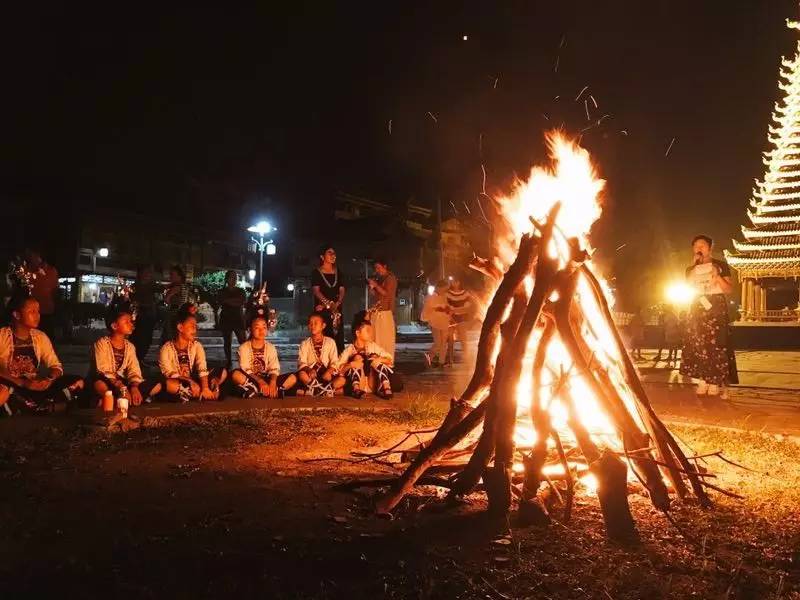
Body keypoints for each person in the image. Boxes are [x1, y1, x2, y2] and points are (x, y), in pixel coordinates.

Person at [0, 294, 84, 415]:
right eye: (32, 311)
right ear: (17, 315)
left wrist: (48, 380)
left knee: (78, 382)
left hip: (33, 386)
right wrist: (22, 382)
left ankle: (26, 407)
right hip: (11, 385)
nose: (37, 315)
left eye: (38, 311)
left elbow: (56, 366)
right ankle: (45, 408)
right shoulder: (2, 336)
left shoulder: (40, 337)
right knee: (3, 391)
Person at [679, 234, 738, 399]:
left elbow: (728, 289)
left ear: (710, 247)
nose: (699, 248)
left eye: (702, 245)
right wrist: (693, 265)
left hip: (715, 304)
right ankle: (702, 378)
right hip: (698, 303)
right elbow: (687, 285)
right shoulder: (690, 269)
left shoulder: (720, 265)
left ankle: (716, 381)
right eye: (696, 245)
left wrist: (717, 275)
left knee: (717, 343)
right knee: (697, 342)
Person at [89, 306, 161, 407]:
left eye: (131, 321)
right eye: (126, 322)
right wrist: (122, 388)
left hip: (123, 383)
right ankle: (119, 400)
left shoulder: (130, 347)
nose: (131, 325)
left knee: (157, 385)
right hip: (107, 381)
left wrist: (134, 387)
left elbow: (134, 370)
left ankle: (118, 401)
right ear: (114, 326)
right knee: (100, 384)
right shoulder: (101, 344)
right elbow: (103, 371)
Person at [158, 304, 227, 402]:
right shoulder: (166, 348)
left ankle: (199, 392)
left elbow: (202, 367)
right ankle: (194, 392)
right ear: (180, 327)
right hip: (179, 381)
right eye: (192, 326)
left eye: (196, 326)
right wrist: (189, 381)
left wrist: (205, 387)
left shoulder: (197, 345)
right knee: (165, 383)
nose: (195, 330)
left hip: (195, 380)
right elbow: (169, 373)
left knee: (222, 371)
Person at [337, 312, 402, 399]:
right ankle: (356, 390)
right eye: (367, 331)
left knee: (375, 359)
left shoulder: (373, 346)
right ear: (358, 333)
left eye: (371, 331)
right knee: (357, 358)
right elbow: (338, 369)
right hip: (360, 383)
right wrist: (351, 365)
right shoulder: (349, 350)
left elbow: (389, 359)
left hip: (373, 382)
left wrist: (379, 360)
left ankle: (386, 387)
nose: (370, 334)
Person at [231, 315, 296, 398]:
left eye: (264, 327)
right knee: (235, 374)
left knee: (293, 377)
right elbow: (246, 369)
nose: (261, 330)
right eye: (257, 328)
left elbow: (274, 368)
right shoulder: (243, 348)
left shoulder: (271, 347)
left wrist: (272, 382)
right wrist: (260, 381)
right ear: (250, 330)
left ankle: (262, 390)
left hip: (267, 379)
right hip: (252, 380)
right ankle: (273, 391)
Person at [295, 313, 344, 396]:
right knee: (302, 374)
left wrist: (329, 371)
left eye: (316, 323)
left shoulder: (330, 342)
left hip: (326, 374)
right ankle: (321, 390)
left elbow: (335, 361)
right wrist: (309, 370)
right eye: (310, 323)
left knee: (342, 380)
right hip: (311, 376)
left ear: (323, 326)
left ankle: (315, 391)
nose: (312, 325)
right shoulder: (304, 343)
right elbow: (301, 362)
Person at [311, 246, 346, 352]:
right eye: (329, 253)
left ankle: (338, 362)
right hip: (322, 308)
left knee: (337, 334)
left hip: (336, 309)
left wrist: (338, 302)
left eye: (334, 253)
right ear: (322, 256)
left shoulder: (338, 272)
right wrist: (328, 304)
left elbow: (342, 289)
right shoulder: (316, 272)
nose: (333, 255)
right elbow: (316, 291)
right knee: (324, 334)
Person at [24, 248, 59, 339]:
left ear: (39, 257)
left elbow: (54, 290)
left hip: (45, 311)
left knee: (45, 337)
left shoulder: (50, 271)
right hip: (32, 311)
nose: (30, 259)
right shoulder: (28, 272)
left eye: (32, 256)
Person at [367, 259, 397, 358]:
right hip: (376, 311)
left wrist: (376, 285)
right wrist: (371, 287)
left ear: (385, 266)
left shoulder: (390, 278)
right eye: (376, 268)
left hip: (385, 312)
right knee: (376, 338)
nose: (377, 270)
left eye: (379, 267)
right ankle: (377, 359)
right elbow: (374, 295)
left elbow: (386, 294)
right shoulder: (379, 278)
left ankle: (386, 360)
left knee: (385, 339)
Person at [217, 270, 247, 370]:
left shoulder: (240, 291)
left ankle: (246, 359)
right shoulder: (221, 291)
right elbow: (221, 301)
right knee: (227, 342)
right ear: (227, 279)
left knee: (243, 342)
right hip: (226, 319)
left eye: (235, 277)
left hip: (238, 319)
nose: (234, 279)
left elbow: (241, 301)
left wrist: (228, 301)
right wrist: (234, 301)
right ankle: (228, 361)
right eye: (232, 277)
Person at [129, 265, 158, 362]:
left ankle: (140, 359)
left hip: (149, 315)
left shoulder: (153, 286)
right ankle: (135, 359)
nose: (147, 275)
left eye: (149, 273)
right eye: (145, 272)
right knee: (136, 337)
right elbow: (131, 300)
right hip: (138, 314)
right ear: (140, 274)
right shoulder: (135, 286)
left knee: (147, 338)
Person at [421, 280, 451, 368]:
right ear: (438, 287)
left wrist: (447, 309)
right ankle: (429, 357)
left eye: (446, 289)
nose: (444, 291)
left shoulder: (445, 296)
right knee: (438, 342)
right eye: (444, 289)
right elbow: (428, 309)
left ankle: (441, 361)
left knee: (444, 343)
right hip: (435, 322)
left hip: (444, 321)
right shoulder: (430, 297)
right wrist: (438, 309)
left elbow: (448, 306)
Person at [161, 266, 191, 344]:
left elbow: (166, 300)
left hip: (174, 314)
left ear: (179, 276)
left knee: (169, 337)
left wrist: (168, 294)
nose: (170, 277)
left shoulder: (176, 287)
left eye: (172, 275)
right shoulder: (184, 286)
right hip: (182, 314)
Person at [446, 277, 474, 361]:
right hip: (451, 320)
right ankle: (450, 360)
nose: (454, 283)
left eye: (456, 281)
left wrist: (455, 310)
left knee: (463, 339)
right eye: (453, 282)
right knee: (450, 340)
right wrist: (457, 310)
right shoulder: (448, 294)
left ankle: (466, 358)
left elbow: (467, 306)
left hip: (462, 319)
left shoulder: (465, 293)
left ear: (459, 282)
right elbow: (447, 306)